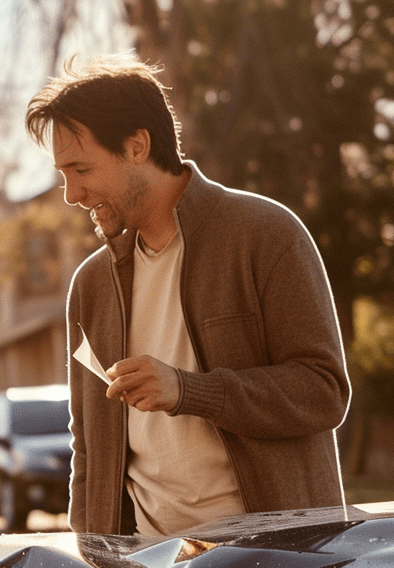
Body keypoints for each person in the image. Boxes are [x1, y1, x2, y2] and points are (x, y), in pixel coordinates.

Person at [26, 57, 350, 537]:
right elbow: (89, 450)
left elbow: (324, 391)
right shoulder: (90, 287)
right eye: (63, 174)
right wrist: (91, 562)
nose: (72, 193)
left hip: (275, 561)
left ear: (137, 146)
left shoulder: (266, 235)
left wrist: (188, 390)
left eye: (81, 168)